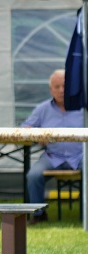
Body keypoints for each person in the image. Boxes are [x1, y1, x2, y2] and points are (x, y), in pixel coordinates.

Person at [21, 69, 84, 225]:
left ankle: (86, 212)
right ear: (51, 89)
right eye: (57, 87)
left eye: (64, 86)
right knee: (33, 175)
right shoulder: (42, 109)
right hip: (52, 156)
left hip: (80, 156)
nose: (61, 90)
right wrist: (36, 134)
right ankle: (38, 214)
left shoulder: (83, 108)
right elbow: (24, 129)